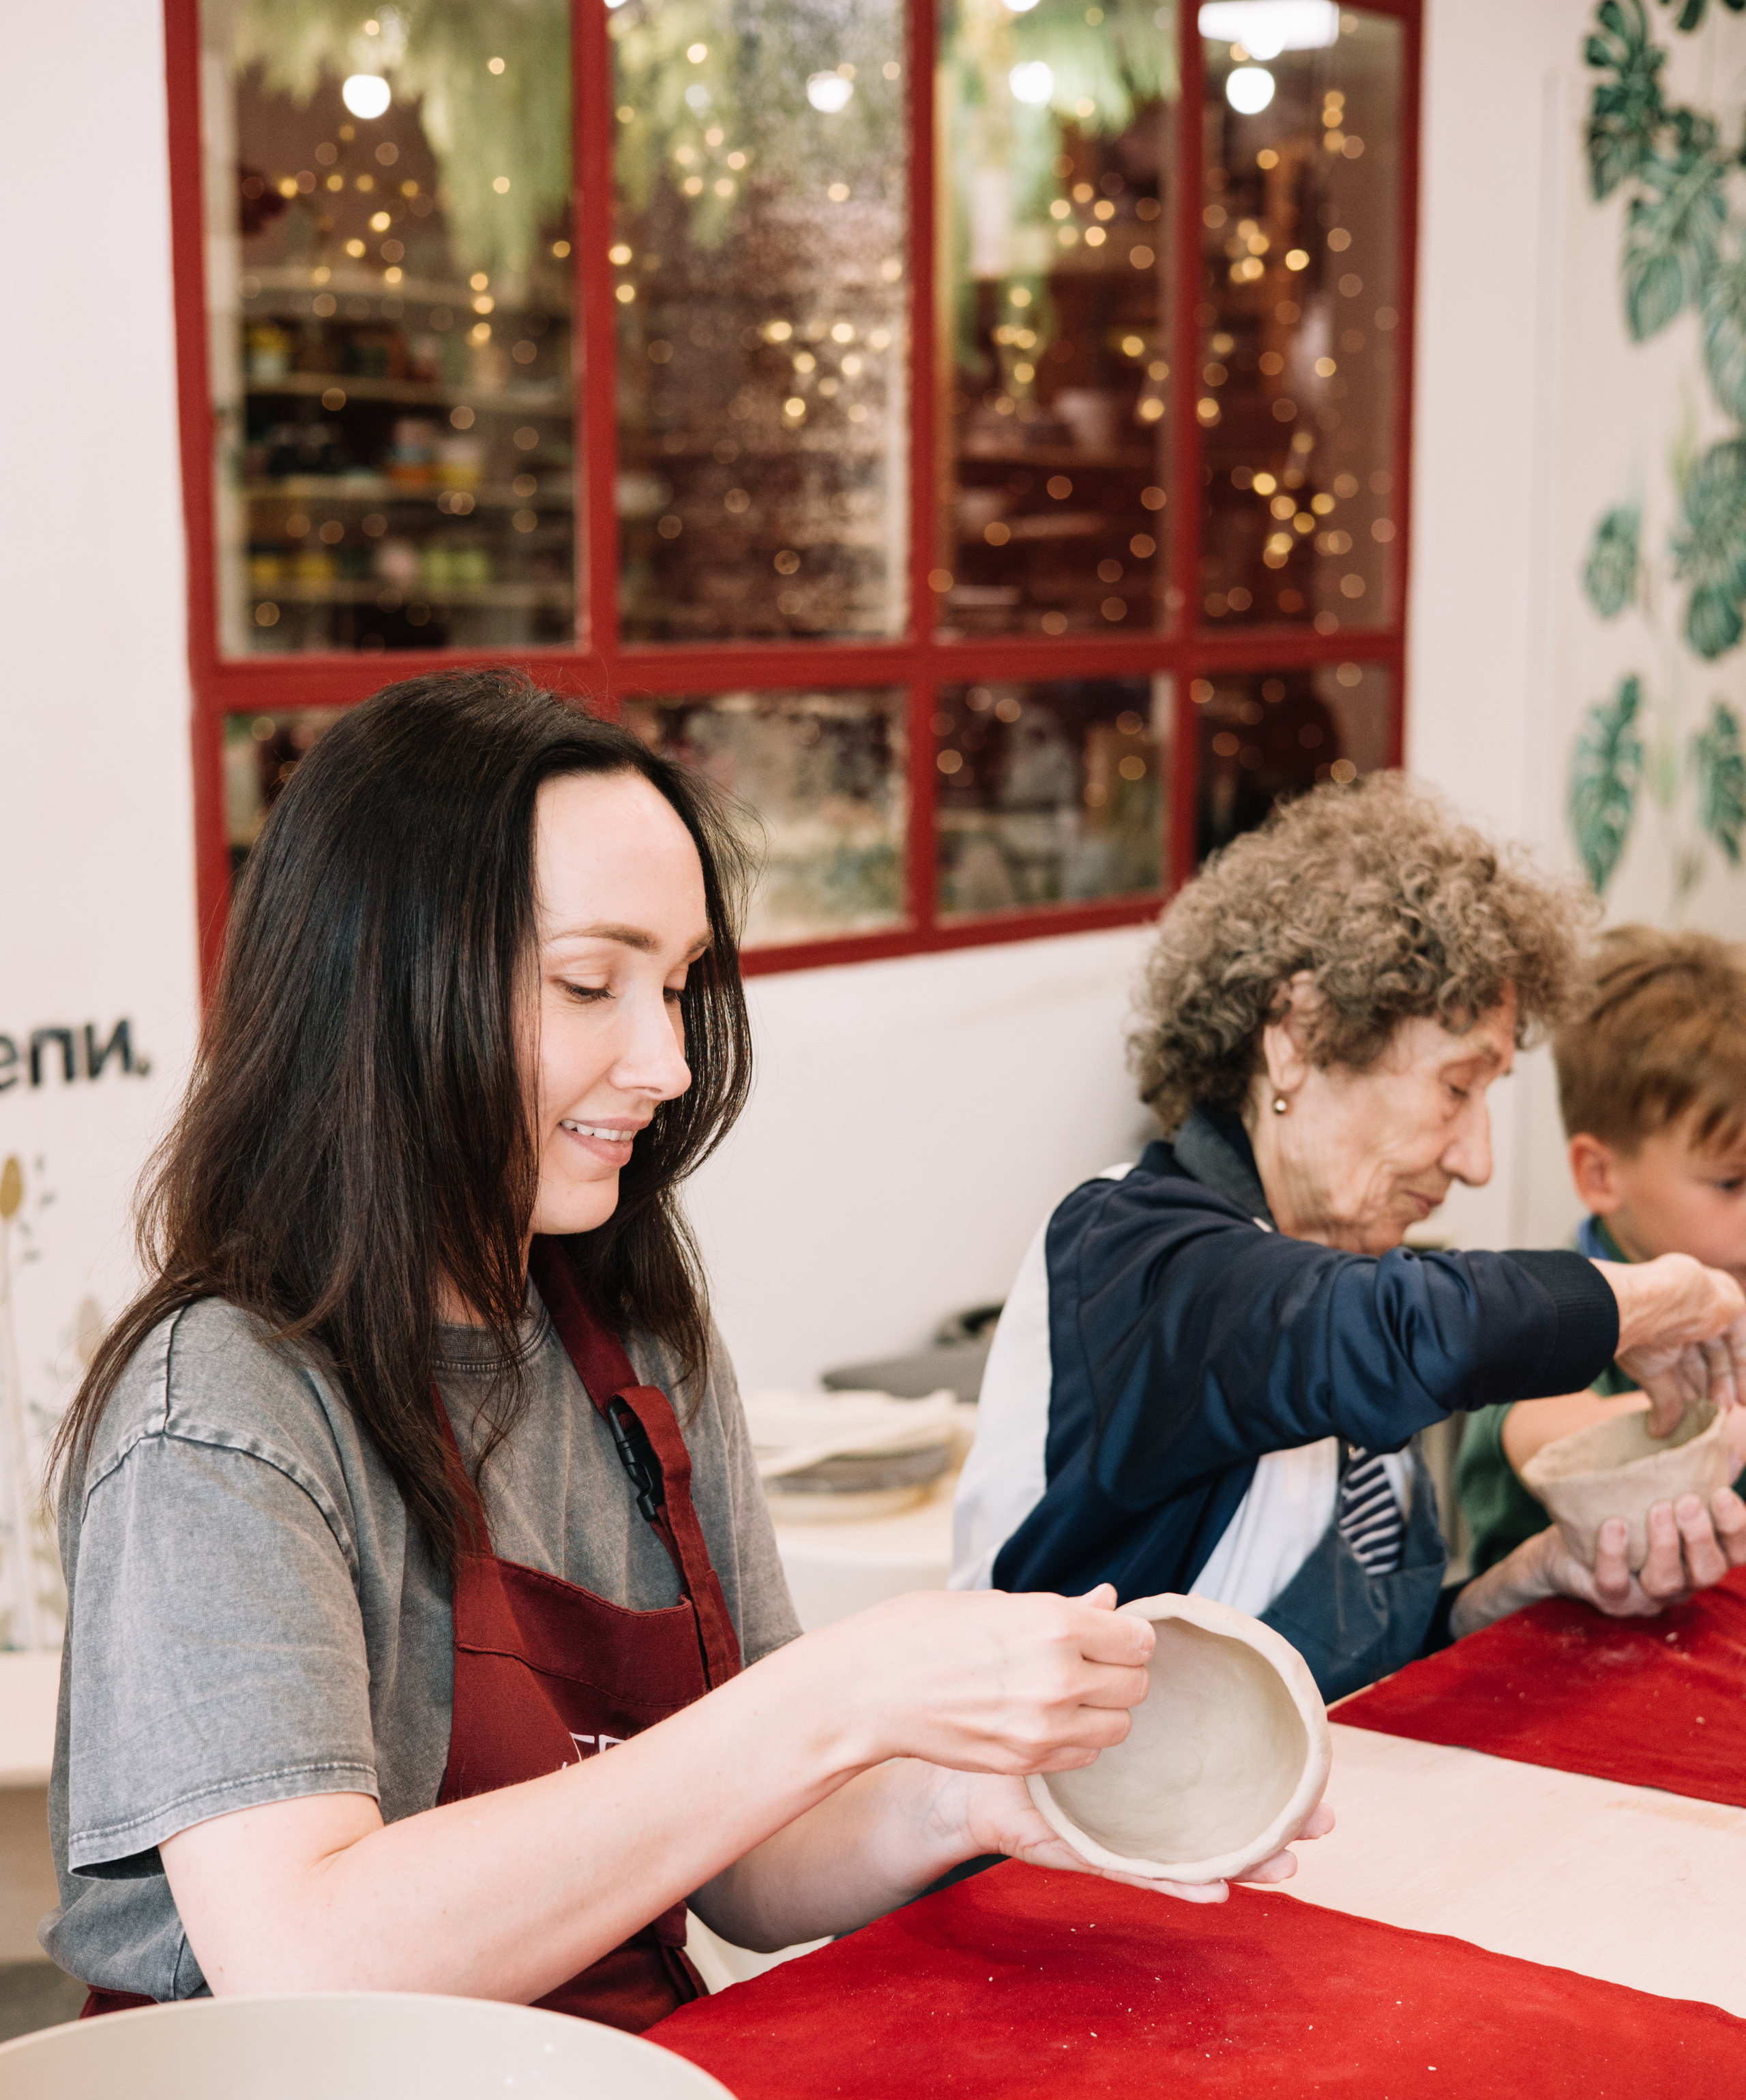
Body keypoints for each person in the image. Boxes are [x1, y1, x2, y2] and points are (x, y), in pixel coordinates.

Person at [48, 674, 1335, 2030]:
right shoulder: (224, 1416)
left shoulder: (633, 1339)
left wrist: (982, 1792)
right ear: (381, 988)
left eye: (673, 986)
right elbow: (308, 1959)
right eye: (590, 983)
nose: (665, 1060)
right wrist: (840, 1695)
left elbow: (749, 1863)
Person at [951, 778, 1746, 1703]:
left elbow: (1346, 1686)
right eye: (1458, 1088)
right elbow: (1407, 1331)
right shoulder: (1137, 1250)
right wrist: (1656, 1297)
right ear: (1297, 1036)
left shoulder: (1341, 1280)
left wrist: (1527, 1582)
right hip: (1060, 1833)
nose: (1478, 1157)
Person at [1457, 925, 1746, 1576]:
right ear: (1599, 1175)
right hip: (1542, 1660)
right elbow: (1555, 1438)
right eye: (1731, 1182)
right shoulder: (1538, 1314)